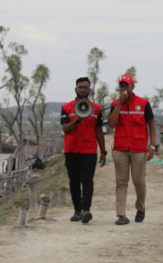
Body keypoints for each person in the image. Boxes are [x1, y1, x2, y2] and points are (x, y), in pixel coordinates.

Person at [107, 75, 156, 225]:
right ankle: (121, 215)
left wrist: (152, 146)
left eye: (126, 86)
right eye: (121, 86)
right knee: (121, 182)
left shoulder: (143, 104)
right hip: (120, 149)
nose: (123, 88)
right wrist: (119, 105)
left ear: (132, 87)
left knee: (138, 181)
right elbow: (112, 124)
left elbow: (151, 125)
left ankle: (140, 208)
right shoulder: (115, 104)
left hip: (138, 149)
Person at [61, 77, 106, 224]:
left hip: (89, 150)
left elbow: (99, 131)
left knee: (87, 180)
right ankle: (77, 211)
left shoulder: (97, 108)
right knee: (74, 180)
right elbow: (65, 129)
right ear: (75, 89)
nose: (83, 90)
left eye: (85, 87)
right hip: (71, 149)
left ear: (89, 90)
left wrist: (103, 151)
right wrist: (76, 120)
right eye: (80, 87)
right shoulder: (67, 107)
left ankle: (86, 210)